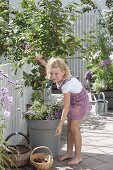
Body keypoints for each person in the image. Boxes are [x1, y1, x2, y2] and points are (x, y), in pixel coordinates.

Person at [46, 58, 91, 166]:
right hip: (73, 101)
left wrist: (60, 126)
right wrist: (43, 62)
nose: (53, 76)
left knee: (74, 129)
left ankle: (78, 156)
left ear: (63, 72)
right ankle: (69, 153)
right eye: (51, 73)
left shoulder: (67, 84)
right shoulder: (61, 77)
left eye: (56, 73)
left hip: (80, 103)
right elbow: (50, 68)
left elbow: (66, 108)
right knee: (70, 129)